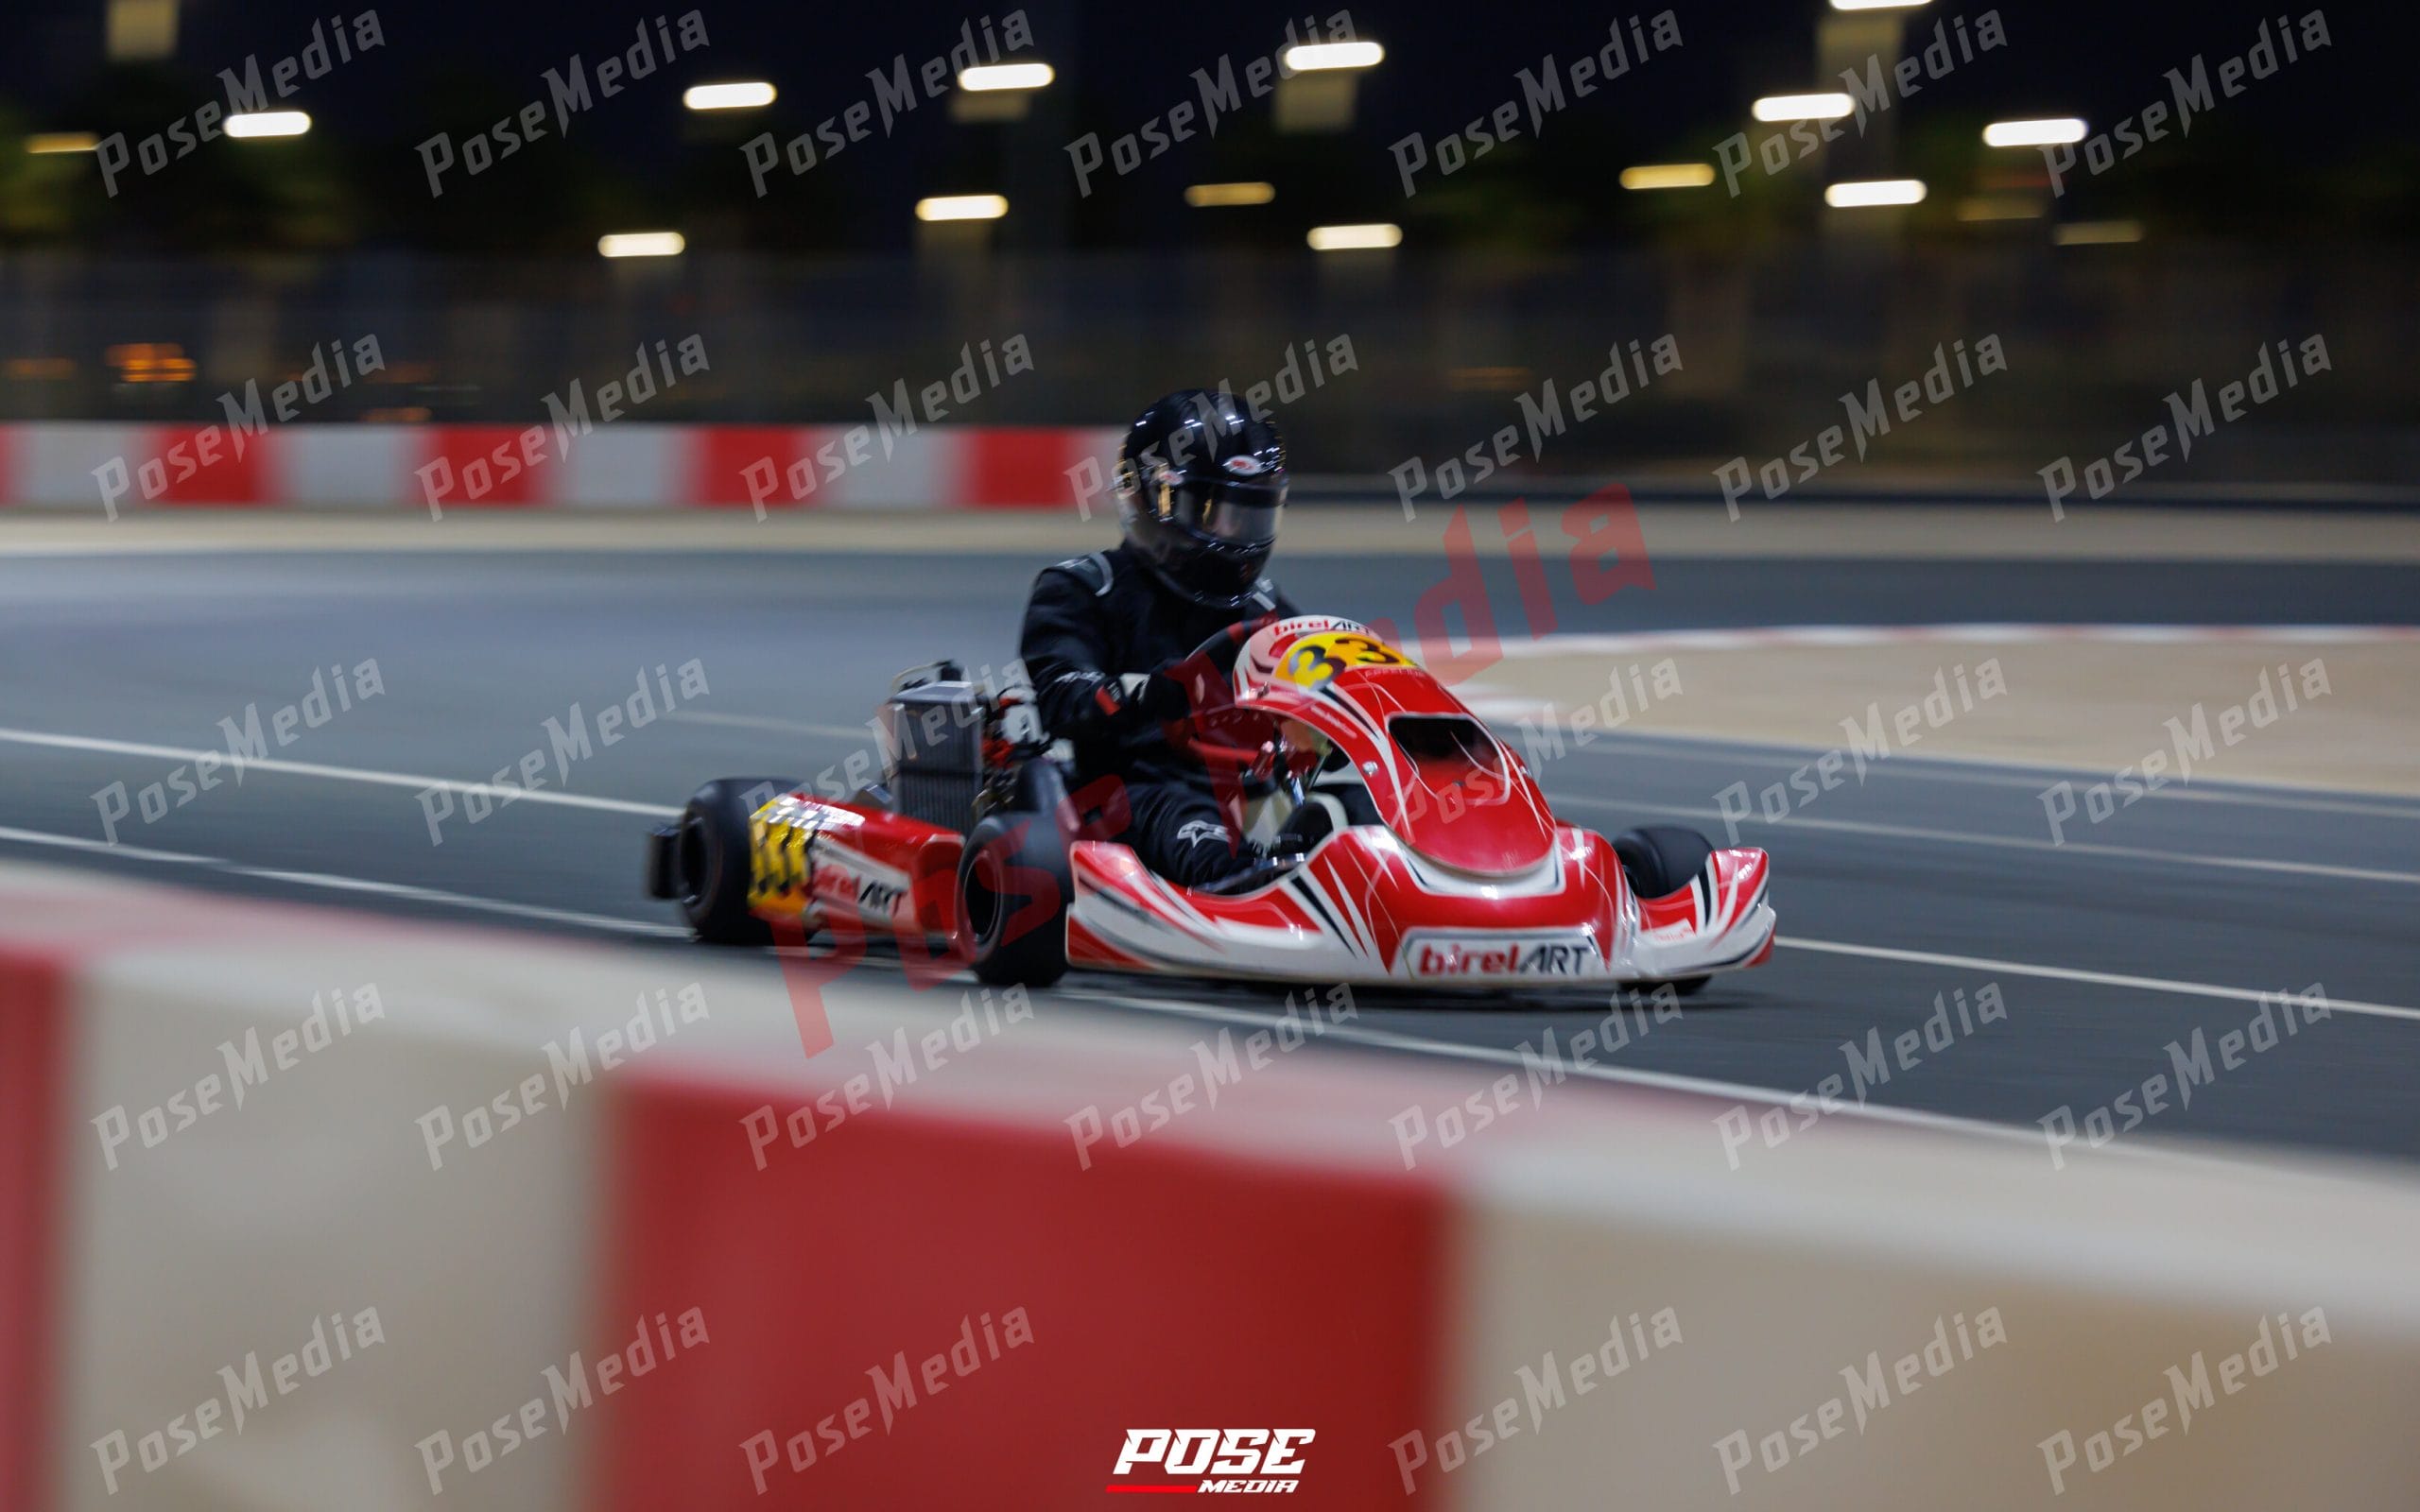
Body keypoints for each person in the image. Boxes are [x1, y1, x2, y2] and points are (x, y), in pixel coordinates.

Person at [1018, 388, 1299, 887]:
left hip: (1255, 787)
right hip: (1136, 789)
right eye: (1215, 513)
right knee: (1217, 852)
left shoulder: (1264, 608)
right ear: (1151, 499)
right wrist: (1149, 694)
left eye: (1249, 514)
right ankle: (1247, 890)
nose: (1236, 535)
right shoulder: (1083, 589)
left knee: (1359, 807)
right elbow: (1063, 696)